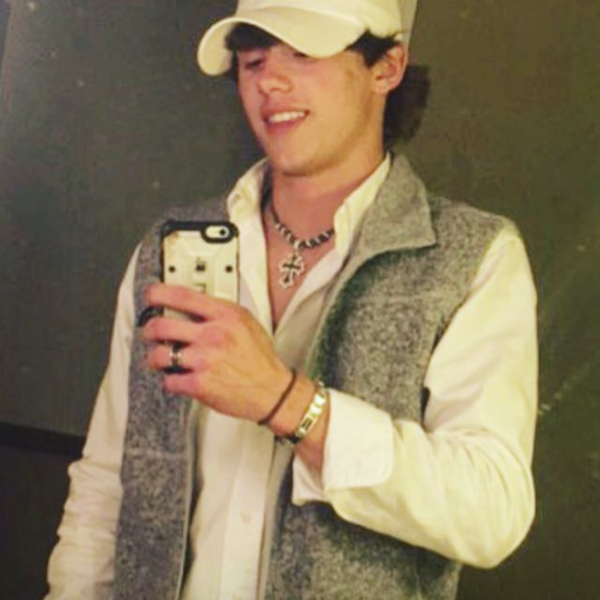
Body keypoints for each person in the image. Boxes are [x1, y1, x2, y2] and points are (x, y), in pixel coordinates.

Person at [46, 0, 538, 598]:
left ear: (386, 66)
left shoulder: (473, 258)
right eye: (253, 60)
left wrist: (287, 402)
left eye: (303, 53)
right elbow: (106, 482)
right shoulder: (167, 249)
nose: (270, 82)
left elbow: (492, 512)